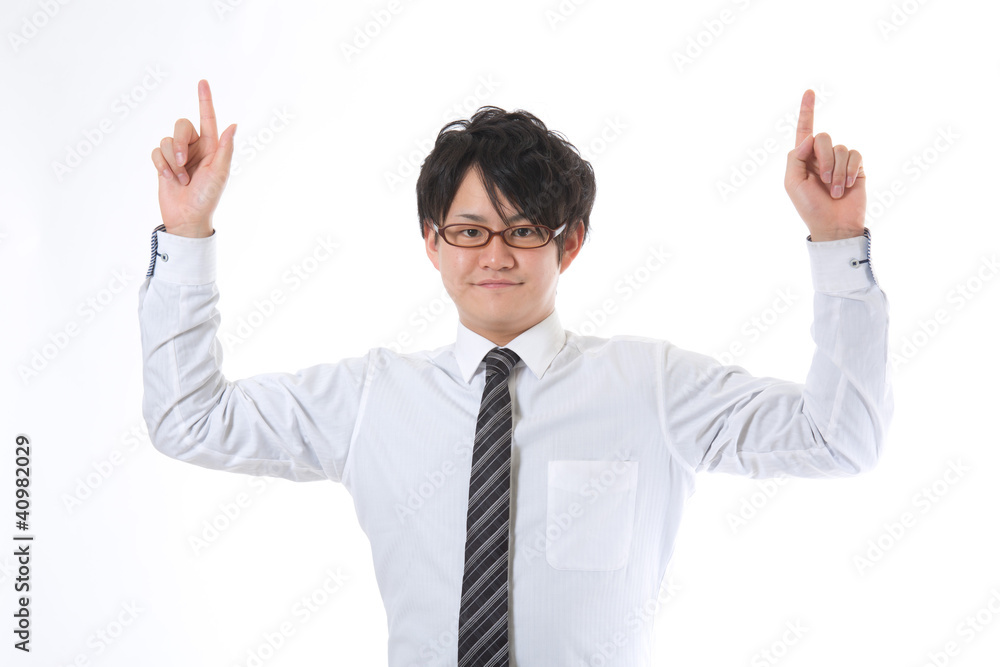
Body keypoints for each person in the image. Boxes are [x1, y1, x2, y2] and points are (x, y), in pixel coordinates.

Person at [140, 80, 893, 666]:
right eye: (469, 231)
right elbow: (188, 420)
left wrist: (837, 244)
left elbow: (840, 440)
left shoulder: (651, 387)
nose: (495, 255)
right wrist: (186, 232)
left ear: (571, 243)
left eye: (525, 230)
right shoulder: (372, 397)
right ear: (432, 242)